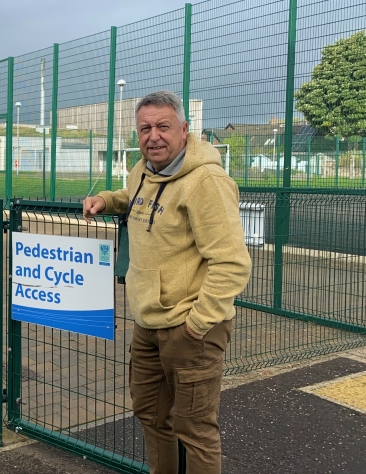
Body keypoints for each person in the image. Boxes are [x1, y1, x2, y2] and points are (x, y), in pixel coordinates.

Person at [82, 90, 251, 474]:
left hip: (192, 328)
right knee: (151, 414)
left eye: (163, 126)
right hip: (148, 323)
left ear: (184, 130)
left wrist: (197, 324)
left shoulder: (206, 181)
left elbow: (232, 263)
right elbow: (135, 197)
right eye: (145, 128)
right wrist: (107, 201)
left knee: (195, 429)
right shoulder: (142, 170)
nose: (153, 136)